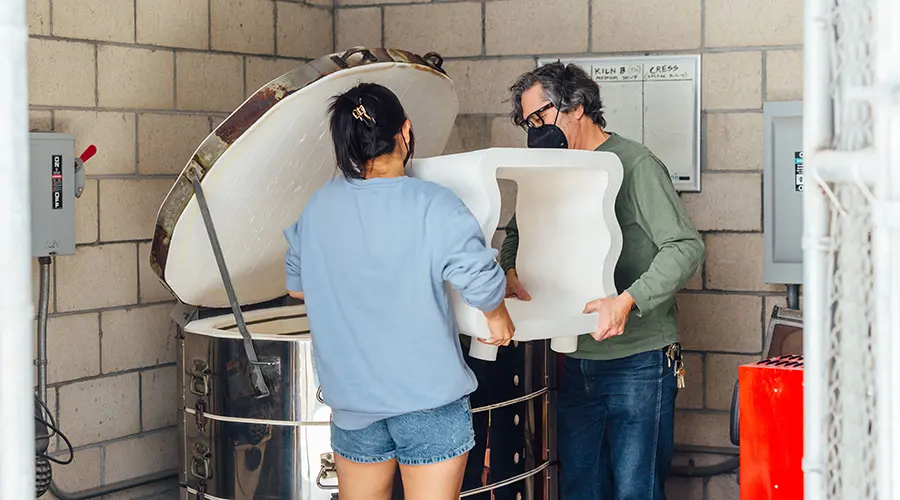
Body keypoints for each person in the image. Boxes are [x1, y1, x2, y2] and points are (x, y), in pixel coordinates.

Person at [282, 82, 516, 500]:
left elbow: (299, 290)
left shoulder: (317, 207)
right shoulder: (434, 204)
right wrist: (498, 319)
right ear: (404, 131)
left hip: (353, 402)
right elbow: (480, 282)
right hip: (428, 401)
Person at [502, 62, 706, 500]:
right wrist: (511, 268)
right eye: (527, 122)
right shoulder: (549, 168)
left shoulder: (636, 165)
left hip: (638, 360)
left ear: (576, 106)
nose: (535, 130)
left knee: (636, 490)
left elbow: (686, 247)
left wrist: (627, 300)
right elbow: (518, 233)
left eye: (541, 117)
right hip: (577, 357)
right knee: (580, 487)